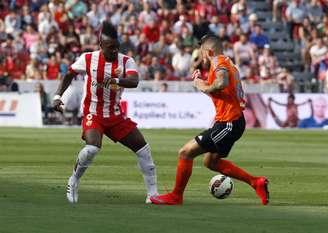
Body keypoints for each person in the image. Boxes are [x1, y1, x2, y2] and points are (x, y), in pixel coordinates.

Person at [150, 35, 269, 205]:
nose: (201, 55)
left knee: (186, 152)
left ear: (209, 51)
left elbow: (221, 82)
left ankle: (176, 196)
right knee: (211, 161)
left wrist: (202, 86)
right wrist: (201, 81)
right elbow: (221, 87)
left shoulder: (218, 61)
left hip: (229, 123)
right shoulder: (227, 62)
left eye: (202, 51)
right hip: (232, 121)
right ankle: (256, 182)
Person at [52, 22, 158, 204]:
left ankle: (153, 194)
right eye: (111, 47)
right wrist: (57, 96)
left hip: (115, 115)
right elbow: (69, 74)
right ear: (101, 44)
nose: (115, 50)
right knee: (93, 147)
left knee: (143, 149)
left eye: (117, 47)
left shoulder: (126, 61)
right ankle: (73, 181)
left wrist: (116, 79)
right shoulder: (87, 59)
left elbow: (134, 81)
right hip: (93, 113)